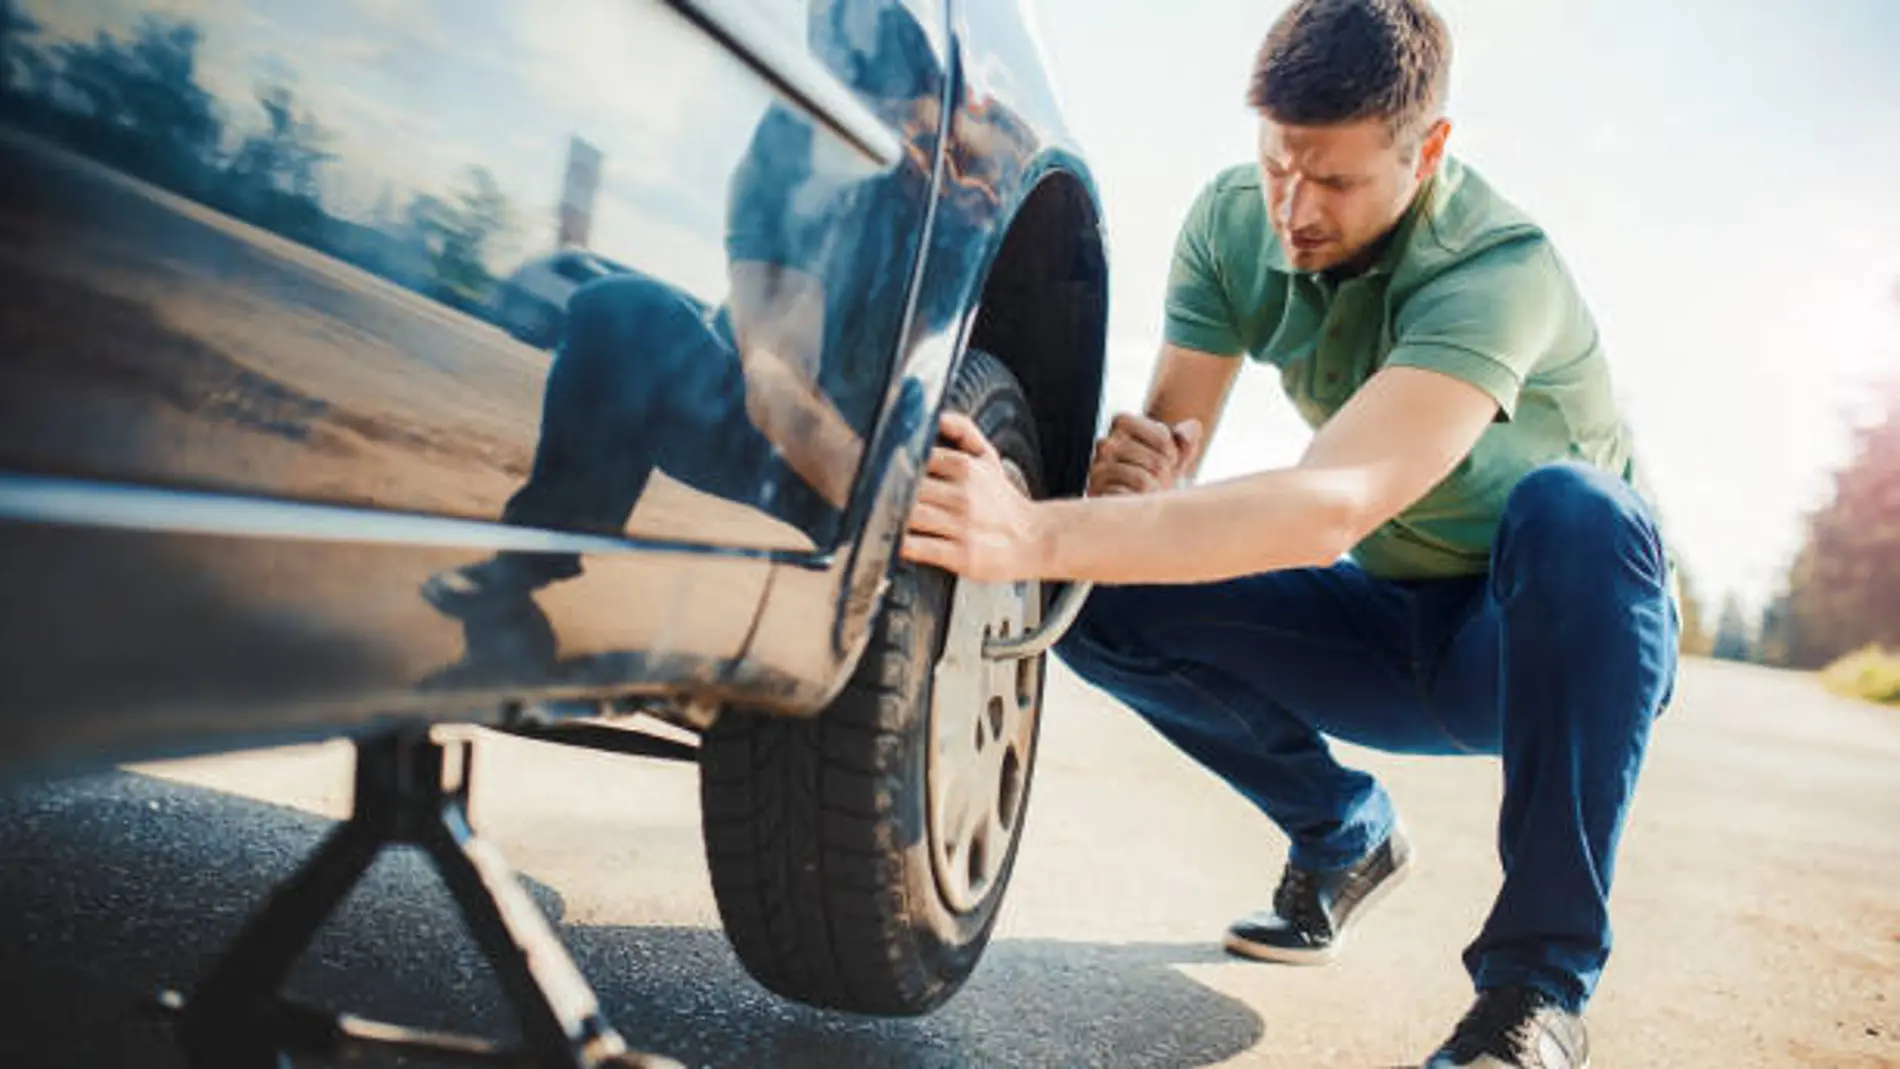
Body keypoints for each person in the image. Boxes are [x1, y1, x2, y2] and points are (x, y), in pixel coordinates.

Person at [900, 1, 1677, 1065]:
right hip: (1387, 626)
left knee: (1578, 510)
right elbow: (1168, 463)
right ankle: (1342, 834)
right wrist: (1132, 483)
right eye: (1278, 164)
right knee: (1097, 591)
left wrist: (1028, 530)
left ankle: (1534, 996)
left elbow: (1329, 506)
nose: (1295, 209)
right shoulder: (1234, 224)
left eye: (1336, 181)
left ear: (1427, 150)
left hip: (1536, 644)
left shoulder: (1497, 271)